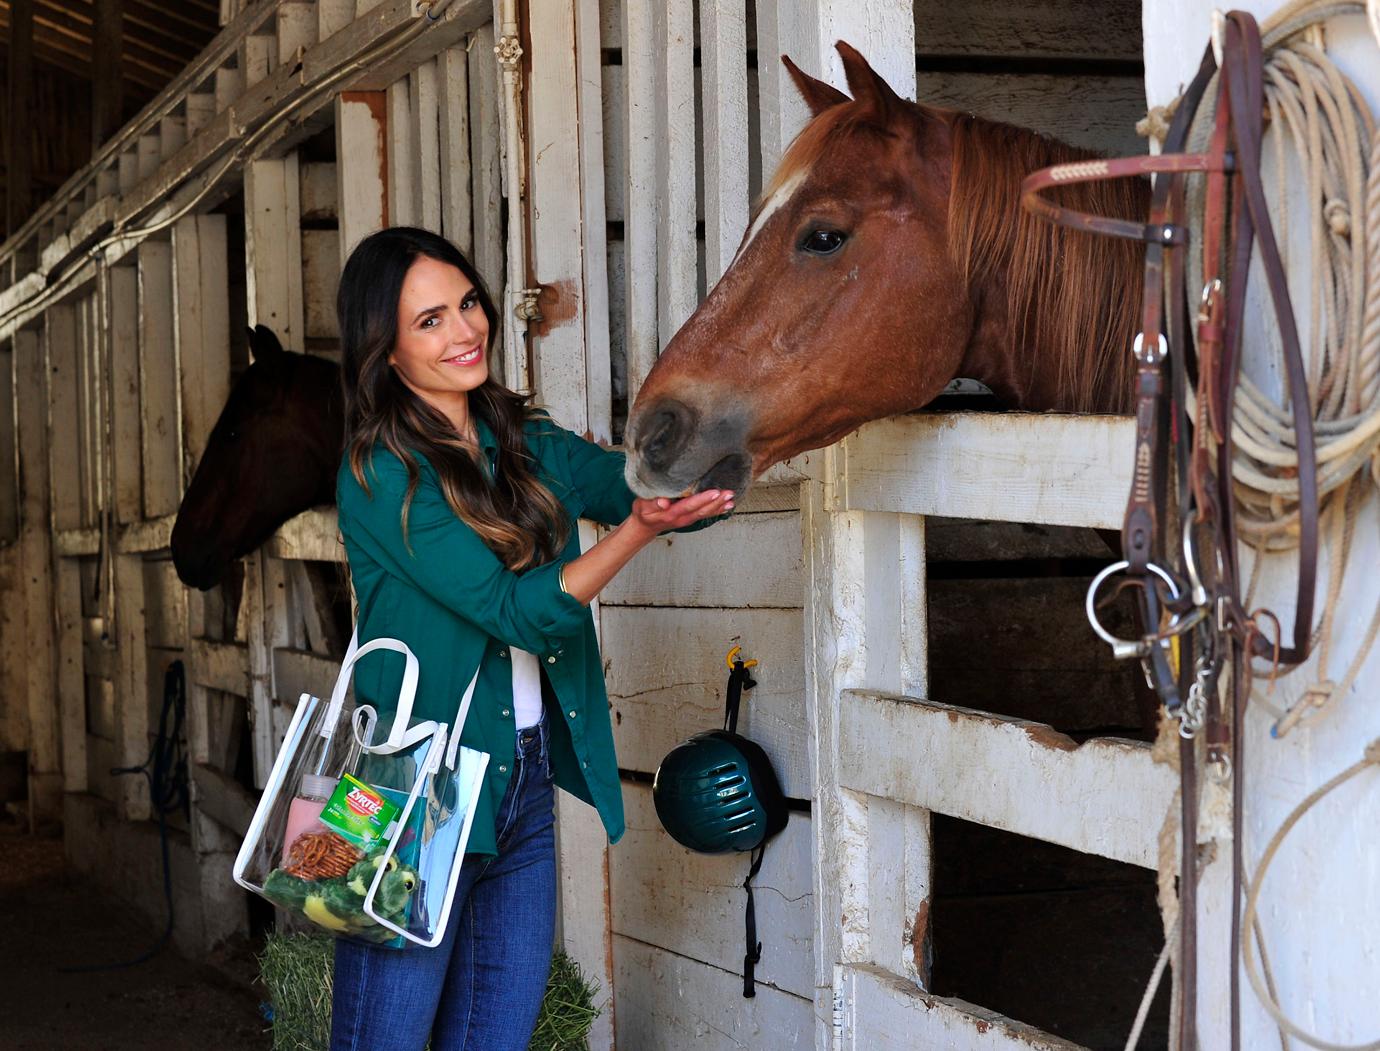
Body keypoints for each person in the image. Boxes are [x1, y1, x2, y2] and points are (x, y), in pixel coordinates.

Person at [330, 226, 733, 1051]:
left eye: (468, 303)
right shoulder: (380, 474)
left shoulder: (524, 441)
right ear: (390, 353)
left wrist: (693, 473)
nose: (465, 329)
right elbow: (515, 612)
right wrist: (638, 535)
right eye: (430, 321)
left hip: (520, 775)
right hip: (409, 792)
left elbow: (628, 485)